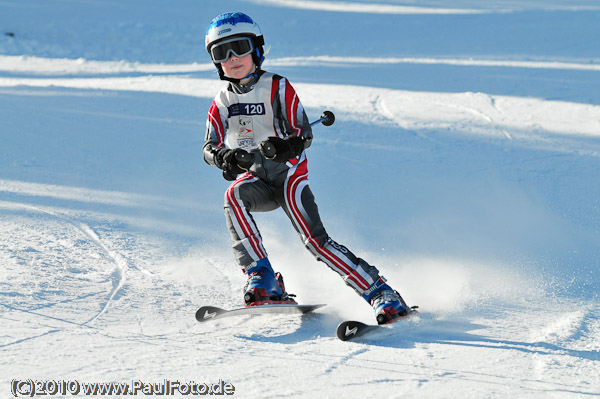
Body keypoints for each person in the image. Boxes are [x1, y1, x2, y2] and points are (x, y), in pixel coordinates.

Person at [203, 12, 410, 324]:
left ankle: (382, 293)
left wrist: (286, 145)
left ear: (257, 49)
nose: (232, 58)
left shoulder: (277, 86)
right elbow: (209, 146)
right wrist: (224, 157)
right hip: (256, 179)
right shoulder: (222, 100)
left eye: (240, 47)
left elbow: (303, 133)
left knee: (315, 241)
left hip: (288, 176)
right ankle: (262, 277)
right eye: (221, 53)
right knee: (234, 196)